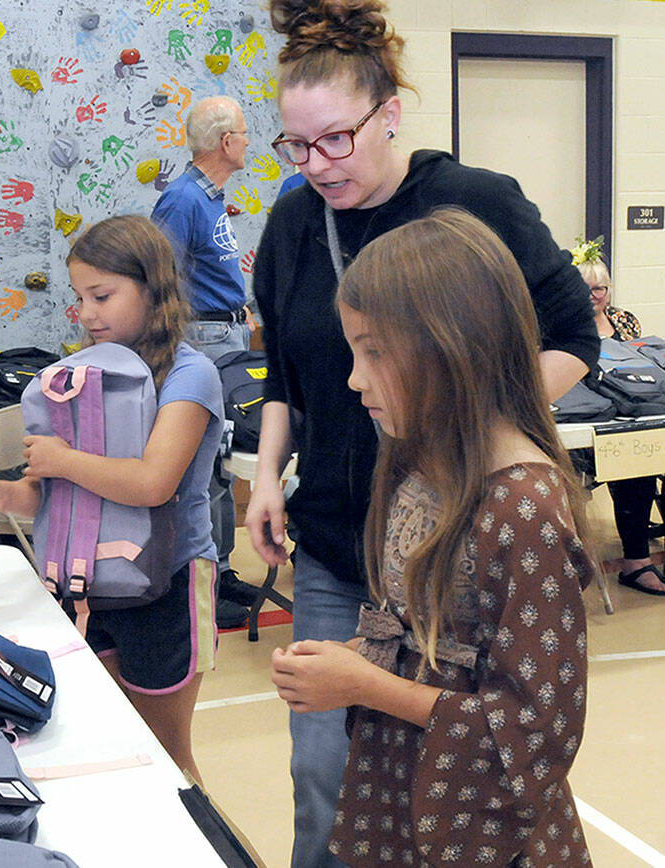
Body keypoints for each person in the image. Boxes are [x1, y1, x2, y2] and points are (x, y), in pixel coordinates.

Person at [246, 2, 599, 864]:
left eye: (336, 140)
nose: (317, 164)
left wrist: (465, 434)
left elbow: (572, 340)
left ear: (389, 113)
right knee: (329, 769)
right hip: (343, 536)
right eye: (296, 146)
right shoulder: (294, 223)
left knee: (447, 769)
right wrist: (265, 479)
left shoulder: (474, 204)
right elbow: (289, 379)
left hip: (455, 544)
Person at [272, 208, 595, 866]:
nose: (354, 379)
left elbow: (535, 733)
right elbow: (432, 635)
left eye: (374, 353)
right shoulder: (417, 461)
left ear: (454, 348)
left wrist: (366, 685)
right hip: (407, 795)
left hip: (486, 829)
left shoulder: (523, 506)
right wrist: (359, 654)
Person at [0, 215, 224, 783]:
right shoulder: (84, 376)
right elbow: (58, 498)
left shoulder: (190, 375)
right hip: (89, 587)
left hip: (167, 586)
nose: (87, 314)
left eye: (102, 296)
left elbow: (154, 483)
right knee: (106, 743)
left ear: (154, 289)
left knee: (166, 758)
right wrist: (3, 495)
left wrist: (62, 459)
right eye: (80, 298)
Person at [150, 95, 251, 607]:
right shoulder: (183, 199)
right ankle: (204, 579)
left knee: (222, 462)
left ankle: (224, 569)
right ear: (226, 142)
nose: (249, 142)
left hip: (227, 335)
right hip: (204, 339)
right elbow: (158, 278)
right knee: (204, 464)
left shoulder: (210, 198)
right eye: (244, 133)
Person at [573, 237, 665, 595]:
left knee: (645, 455)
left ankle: (639, 560)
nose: (594, 296)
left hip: (633, 418)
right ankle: (636, 564)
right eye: (586, 289)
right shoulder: (563, 328)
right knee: (634, 467)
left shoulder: (624, 321)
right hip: (591, 430)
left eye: (600, 289)